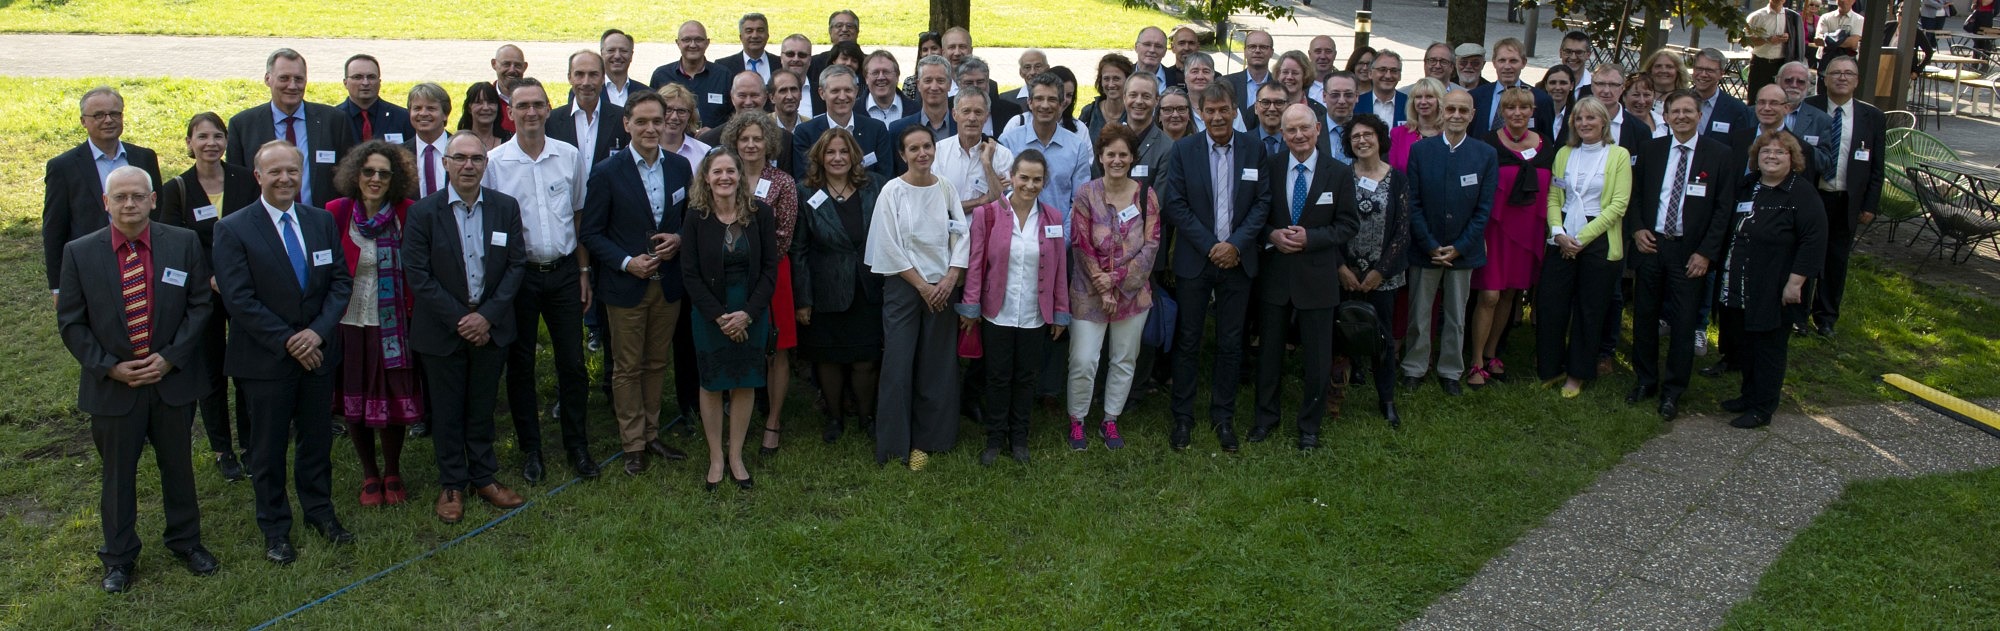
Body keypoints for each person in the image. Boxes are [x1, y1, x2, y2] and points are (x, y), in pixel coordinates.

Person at [58, 165, 216, 593]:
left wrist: (169, 358)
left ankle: (186, 541)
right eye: (120, 197)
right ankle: (119, 557)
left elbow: (200, 305)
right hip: (114, 385)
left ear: (153, 200)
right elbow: (71, 322)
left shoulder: (182, 244)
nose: (129, 204)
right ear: (105, 203)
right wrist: (108, 365)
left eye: (138, 196)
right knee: (117, 475)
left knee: (179, 467)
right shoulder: (79, 252)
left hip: (171, 380)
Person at [212, 139, 355, 563]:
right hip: (265, 360)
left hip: (318, 354)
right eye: (274, 171)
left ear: (302, 172)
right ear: (258, 177)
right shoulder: (233, 228)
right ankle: (275, 528)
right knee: (268, 449)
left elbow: (340, 283)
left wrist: (316, 334)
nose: (284, 178)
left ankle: (319, 512)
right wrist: (290, 341)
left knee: (316, 442)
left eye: (291, 170)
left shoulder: (320, 221)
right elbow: (238, 299)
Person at [403, 130, 529, 523]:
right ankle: (452, 483)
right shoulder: (423, 213)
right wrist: (462, 319)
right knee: (446, 409)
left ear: (485, 164)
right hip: (443, 329)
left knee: (481, 406)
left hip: (490, 326)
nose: (468, 165)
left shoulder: (505, 207)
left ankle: (484, 476)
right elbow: (418, 274)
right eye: (460, 158)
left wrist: (486, 316)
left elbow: (515, 264)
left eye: (476, 158)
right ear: (445, 163)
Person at [483, 78, 604, 485]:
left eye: (538, 105)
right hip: (519, 279)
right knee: (521, 367)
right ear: (510, 112)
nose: (531, 112)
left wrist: (585, 272)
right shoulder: (496, 163)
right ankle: (530, 448)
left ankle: (577, 444)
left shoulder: (568, 156)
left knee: (572, 363)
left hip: (566, 273)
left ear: (548, 108)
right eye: (522, 106)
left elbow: (579, 216)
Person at [578, 90, 689, 478]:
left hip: (668, 284)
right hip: (626, 286)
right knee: (627, 367)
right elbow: (591, 233)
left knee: (657, 361)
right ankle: (633, 444)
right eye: (641, 121)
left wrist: (678, 239)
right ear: (626, 124)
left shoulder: (679, 168)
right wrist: (626, 262)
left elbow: (687, 219)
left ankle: (653, 432)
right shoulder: (607, 172)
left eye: (657, 121)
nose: (650, 128)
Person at [1159, 83, 1270, 452]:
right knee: (1188, 340)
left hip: (1238, 261)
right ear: (1200, 113)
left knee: (1230, 342)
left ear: (1235, 110)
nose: (1218, 117)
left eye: (1224, 109)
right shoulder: (1184, 150)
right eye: (1211, 111)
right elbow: (1175, 204)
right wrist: (1212, 247)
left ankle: (1223, 416)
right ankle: (1183, 417)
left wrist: (1235, 245)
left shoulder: (1255, 148)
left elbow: (1262, 203)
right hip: (1196, 259)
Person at [155, 112, 259, 476]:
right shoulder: (177, 188)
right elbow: (174, 244)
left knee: (247, 367)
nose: (211, 143)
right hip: (203, 293)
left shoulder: (246, 180)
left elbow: (256, 232)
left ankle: (250, 443)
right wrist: (210, 277)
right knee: (211, 370)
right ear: (189, 143)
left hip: (244, 288)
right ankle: (222, 449)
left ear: (227, 141)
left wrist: (232, 276)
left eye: (217, 135)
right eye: (202, 136)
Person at [1251, 104, 1359, 449]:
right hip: (1276, 276)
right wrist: (1271, 235)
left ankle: (1310, 425)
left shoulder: (1338, 173)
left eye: (1304, 129)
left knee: (1317, 358)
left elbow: (1348, 224)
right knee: (1269, 354)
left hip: (1317, 277)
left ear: (1317, 129)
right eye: (1291, 130)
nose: (1298, 136)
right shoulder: (1270, 167)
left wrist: (1312, 239)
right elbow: (1256, 215)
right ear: (1282, 135)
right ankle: (1265, 418)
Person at [325, 141, 424, 507]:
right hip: (349, 322)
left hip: (394, 325)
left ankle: (393, 470)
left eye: (384, 172)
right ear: (356, 174)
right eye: (369, 171)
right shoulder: (336, 213)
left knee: (392, 397)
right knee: (355, 399)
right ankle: (370, 473)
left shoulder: (408, 213)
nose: (376, 179)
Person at [1628, 89, 1736, 421]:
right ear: (1667, 116)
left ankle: (1673, 390)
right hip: (1652, 245)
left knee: (1684, 321)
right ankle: (1646, 380)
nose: (1682, 117)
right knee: (1644, 316)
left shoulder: (1720, 155)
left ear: (1700, 116)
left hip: (1690, 252)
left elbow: (1724, 210)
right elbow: (1634, 195)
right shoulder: (1651, 149)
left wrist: (1706, 253)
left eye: (1689, 111)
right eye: (1676, 112)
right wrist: (1637, 229)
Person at [865, 125, 968, 469]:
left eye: (927, 146)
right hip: (904, 286)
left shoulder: (946, 189)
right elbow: (887, 244)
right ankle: (895, 445)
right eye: (914, 149)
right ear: (902, 154)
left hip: (943, 286)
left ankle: (930, 441)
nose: (922, 154)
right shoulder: (892, 192)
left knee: (937, 365)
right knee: (898, 363)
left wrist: (951, 277)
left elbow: (961, 235)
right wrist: (922, 286)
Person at [959, 151, 1071, 464]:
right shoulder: (989, 214)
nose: (1030, 185)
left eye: (1037, 179)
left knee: (1026, 377)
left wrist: (1061, 310)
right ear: (1012, 176)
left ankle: (1019, 438)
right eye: (1024, 177)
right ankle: (995, 438)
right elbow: (976, 262)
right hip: (998, 312)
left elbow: (1060, 269)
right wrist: (970, 307)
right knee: (997, 377)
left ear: (1044, 181)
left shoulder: (1053, 218)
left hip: (1035, 315)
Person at [678, 148, 779, 490]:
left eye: (731, 171)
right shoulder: (695, 217)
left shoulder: (760, 213)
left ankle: (735, 455)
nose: (724, 177)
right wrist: (720, 317)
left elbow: (769, 269)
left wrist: (748, 315)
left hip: (751, 310)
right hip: (710, 313)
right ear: (705, 177)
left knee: (744, 381)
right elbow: (689, 274)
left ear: (740, 175)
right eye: (717, 172)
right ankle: (715, 458)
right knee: (712, 382)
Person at [1718, 132, 1826, 429]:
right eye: (1766, 151)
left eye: (1780, 152)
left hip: (1774, 284)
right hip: (1739, 281)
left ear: (1793, 159)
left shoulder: (1800, 193)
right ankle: (1747, 395)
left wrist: (1796, 282)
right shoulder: (1748, 185)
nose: (1772, 156)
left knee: (1769, 347)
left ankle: (1762, 407)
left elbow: (1813, 241)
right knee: (1746, 343)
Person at [1066, 124, 1158, 452]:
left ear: (1132, 158)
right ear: (1100, 157)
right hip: (1089, 290)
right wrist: (1102, 285)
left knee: (1124, 357)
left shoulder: (1146, 196)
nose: (1117, 160)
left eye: (1123, 154)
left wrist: (1117, 280)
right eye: (1110, 154)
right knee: (1083, 359)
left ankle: (1110, 419)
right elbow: (1079, 241)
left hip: (1132, 292)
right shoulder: (1086, 193)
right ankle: (1077, 420)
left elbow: (1151, 245)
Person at [1402, 89, 1497, 396]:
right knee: (1419, 313)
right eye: (1451, 109)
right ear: (1442, 113)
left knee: (1456, 316)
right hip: (1425, 248)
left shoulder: (1485, 155)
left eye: (1463, 110)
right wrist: (1430, 244)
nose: (1456, 115)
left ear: (1472, 115)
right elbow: (1412, 203)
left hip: (1463, 252)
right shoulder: (1421, 151)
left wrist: (1460, 247)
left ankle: (1450, 370)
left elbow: (1484, 209)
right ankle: (1415, 366)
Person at [720, 111, 803, 455]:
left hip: (773, 273)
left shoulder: (782, 182)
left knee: (777, 349)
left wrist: (752, 258)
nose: (751, 145)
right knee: (736, 340)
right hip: (730, 274)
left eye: (757, 138)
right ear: (734, 142)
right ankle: (736, 411)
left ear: (769, 143)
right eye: (745, 139)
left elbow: (783, 235)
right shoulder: (725, 177)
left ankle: (773, 419)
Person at [1538, 99, 1632, 398]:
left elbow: (1618, 204)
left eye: (1591, 118)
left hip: (1599, 237)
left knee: (1589, 310)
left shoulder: (1618, 155)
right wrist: (1559, 233)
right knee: (1551, 304)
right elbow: (1554, 198)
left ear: (1604, 122)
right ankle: (1551, 368)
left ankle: (1577, 373)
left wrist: (1582, 238)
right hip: (1562, 234)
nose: (1585, 123)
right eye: (1579, 119)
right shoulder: (1565, 154)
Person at [795, 128, 884, 443]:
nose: (837, 158)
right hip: (825, 290)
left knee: (865, 360)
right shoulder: (805, 192)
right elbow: (799, 250)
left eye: (843, 152)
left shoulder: (875, 186)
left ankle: (866, 416)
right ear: (820, 156)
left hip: (867, 288)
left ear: (854, 156)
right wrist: (803, 300)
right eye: (830, 152)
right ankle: (834, 418)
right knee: (828, 359)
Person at [1469, 87, 1553, 389]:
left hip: (1527, 231)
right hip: (1494, 230)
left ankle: (1492, 354)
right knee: (1489, 295)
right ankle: (1475, 360)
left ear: (1533, 112)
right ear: (1502, 112)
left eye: (1524, 107)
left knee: (1508, 294)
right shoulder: (1487, 144)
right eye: (1510, 107)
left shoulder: (1547, 147)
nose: (1517, 113)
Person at [1802, 55, 1884, 338]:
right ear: (1824, 79)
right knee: (1804, 255)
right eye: (1835, 73)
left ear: (1857, 81)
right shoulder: (1808, 108)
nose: (1842, 77)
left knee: (1836, 260)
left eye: (1849, 73)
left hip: (1846, 200)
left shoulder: (1871, 117)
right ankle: (1797, 315)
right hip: (1812, 196)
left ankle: (1825, 318)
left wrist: (1870, 204)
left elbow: (1877, 166)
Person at [1337, 113, 1410, 426]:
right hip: (1346, 274)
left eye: (1368, 135)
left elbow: (1403, 229)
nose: (1362, 140)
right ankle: (1336, 395)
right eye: (1356, 136)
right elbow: (1331, 223)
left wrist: (1380, 271)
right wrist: (1341, 267)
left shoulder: (1398, 179)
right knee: (1341, 334)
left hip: (1383, 275)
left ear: (1380, 139)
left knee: (1382, 337)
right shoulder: (1340, 176)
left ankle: (1387, 399)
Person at [226, 49, 357, 209]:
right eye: (284, 78)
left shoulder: (334, 121)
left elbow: (349, 177)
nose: (292, 85)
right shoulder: (243, 125)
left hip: (322, 222)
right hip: (264, 224)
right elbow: (237, 186)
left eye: (299, 79)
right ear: (268, 79)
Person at [1000, 72, 1094, 220]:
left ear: (1062, 104)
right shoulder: (1008, 142)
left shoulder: (1077, 147)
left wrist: (1064, 238)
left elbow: (1079, 201)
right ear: (1029, 102)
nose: (1045, 105)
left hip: (1059, 234)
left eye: (1052, 99)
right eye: (1039, 99)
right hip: (1016, 232)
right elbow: (1002, 193)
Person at [794, 65, 895, 182]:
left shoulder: (876, 129)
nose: (842, 97)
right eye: (835, 91)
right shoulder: (806, 132)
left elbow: (884, 177)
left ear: (856, 91)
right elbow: (804, 180)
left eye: (848, 90)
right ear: (822, 93)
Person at [933, 89, 1013, 212]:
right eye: (966, 111)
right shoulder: (938, 152)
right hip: (946, 229)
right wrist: (983, 200)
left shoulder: (1001, 155)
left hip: (989, 230)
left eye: (978, 112)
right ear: (954, 115)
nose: (972, 118)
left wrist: (987, 164)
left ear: (986, 117)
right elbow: (936, 206)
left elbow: (1004, 206)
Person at [549, 50, 630, 168]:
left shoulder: (621, 118)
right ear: (569, 78)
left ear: (603, 78)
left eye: (593, 75)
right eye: (579, 74)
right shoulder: (552, 120)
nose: (586, 82)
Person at [651, 21, 735, 132]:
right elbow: (651, 113)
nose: (693, 45)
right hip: (672, 144)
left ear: (707, 43)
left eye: (698, 40)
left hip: (714, 145)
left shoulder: (724, 76)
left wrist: (714, 133)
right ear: (678, 43)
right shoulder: (661, 75)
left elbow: (734, 115)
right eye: (686, 40)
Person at [1469, 39, 1556, 138]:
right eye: (1502, 60)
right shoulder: (1476, 97)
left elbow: (1546, 141)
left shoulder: (1540, 99)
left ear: (1523, 63)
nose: (1507, 66)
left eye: (1513, 61)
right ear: (1494, 63)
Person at [887, 55, 959, 175]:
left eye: (940, 80)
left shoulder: (961, 126)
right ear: (918, 85)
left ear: (950, 84)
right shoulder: (898, 129)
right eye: (928, 81)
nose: (934, 87)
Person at [1691, 48, 1757, 151]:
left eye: (1710, 70)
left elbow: (1740, 151)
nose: (1703, 74)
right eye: (1699, 69)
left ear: (1721, 73)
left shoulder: (1737, 110)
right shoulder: (1677, 102)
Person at [337, 55, 413, 144]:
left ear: (379, 82)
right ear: (345, 83)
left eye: (371, 77)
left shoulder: (403, 117)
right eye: (357, 77)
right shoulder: (333, 119)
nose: (365, 83)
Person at [407, 83, 454, 205]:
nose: (423, 113)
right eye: (417, 108)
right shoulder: (399, 154)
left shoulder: (462, 150)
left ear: (445, 114)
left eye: (431, 108)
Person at [1389, 77, 1448, 170]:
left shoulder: (1449, 134)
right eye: (1418, 97)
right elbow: (1393, 171)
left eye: (1429, 96)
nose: (1423, 102)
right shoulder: (1398, 133)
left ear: (1440, 101)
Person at [964, 56, 1027, 134]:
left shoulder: (1011, 111)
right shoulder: (949, 109)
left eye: (980, 82)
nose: (975, 87)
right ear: (959, 84)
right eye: (969, 83)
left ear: (988, 83)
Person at [1080, 54, 1135, 141]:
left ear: (1128, 80)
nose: (1111, 84)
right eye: (1106, 79)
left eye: (1116, 78)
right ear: (1100, 81)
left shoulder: (1134, 113)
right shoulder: (1089, 113)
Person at [717, 13, 777, 81]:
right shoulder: (723, 66)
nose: (755, 36)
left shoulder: (780, 63)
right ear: (741, 37)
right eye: (749, 31)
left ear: (767, 36)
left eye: (760, 30)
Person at [1223, 30, 1276, 107]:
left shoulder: (1279, 85)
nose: (1257, 51)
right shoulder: (1226, 84)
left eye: (1263, 47)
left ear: (1271, 52)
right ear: (1244, 51)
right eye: (1252, 47)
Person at [864, 50, 916, 125]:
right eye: (875, 73)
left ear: (897, 76)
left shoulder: (916, 111)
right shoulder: (853, 111)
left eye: (886, 72)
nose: (881, 77)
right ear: (866, 78)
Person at [1356, 51, 1407, 127]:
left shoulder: (1409, 104)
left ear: (1400, 76)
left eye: (1394, 71)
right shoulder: (1356, 104)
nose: (1388, 76)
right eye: (1382, 70)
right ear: (1370, 73)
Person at [457, 82, 512, 151]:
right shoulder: (457, 142)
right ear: (469, 108)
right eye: (478, 102)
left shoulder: (510, 141)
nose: (485, 108)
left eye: (491, 102)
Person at [811, 10, 863, 80]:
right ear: (830, 32)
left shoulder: (869, 63)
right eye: (839, 26)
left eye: (849, 26)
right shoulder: (814, 63)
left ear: (857, 32)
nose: (844, 29)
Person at [600, 29, 646, 107]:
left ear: (631, 55)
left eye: (623, 51)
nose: (617, 56)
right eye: (611, 50)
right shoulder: (587, 92)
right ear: (602, 54)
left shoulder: (646, 93)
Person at [1322, 72, 1361, 164]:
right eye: (1335, 95)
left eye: (1348, 95)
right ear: (1324, 96)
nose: (1342, 101)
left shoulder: (1370, 130)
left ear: (1357, 96)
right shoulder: (1311, 129)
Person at [490, 45, 529, 134]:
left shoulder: (535, 98)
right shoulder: (484, 101)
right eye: (506, 64)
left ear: (525, 67)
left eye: (517, 65)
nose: (512, 70)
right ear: (494, 64)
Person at [781, 35, 822, 119]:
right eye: (790, 54)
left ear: (810, 60)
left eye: (802, 55)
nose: (796, 59)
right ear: (781, 58)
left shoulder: (822, 94)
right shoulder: (768, 93)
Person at [1133, 27, 1181, 94]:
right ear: (1136, 47)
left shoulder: (1177, 78)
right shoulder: (1124, 75)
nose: (1152, 50)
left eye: (1158, 46)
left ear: (1165, 51)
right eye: (1147, 44)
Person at [1539, 65, 1578, 139]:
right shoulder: (1535, 113)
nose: (1557, 87)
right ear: (1546, 85)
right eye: (1552, 83)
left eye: (1563, 83)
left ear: (1571, 86)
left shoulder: (1577, 115)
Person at [1557, 31, 1594, 99]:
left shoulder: (1596, 87)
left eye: (1579, 52)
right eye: (1568, 52)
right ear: (1560, 53)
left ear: (1588, 55)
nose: (1573, 57)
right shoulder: (1545, 86)